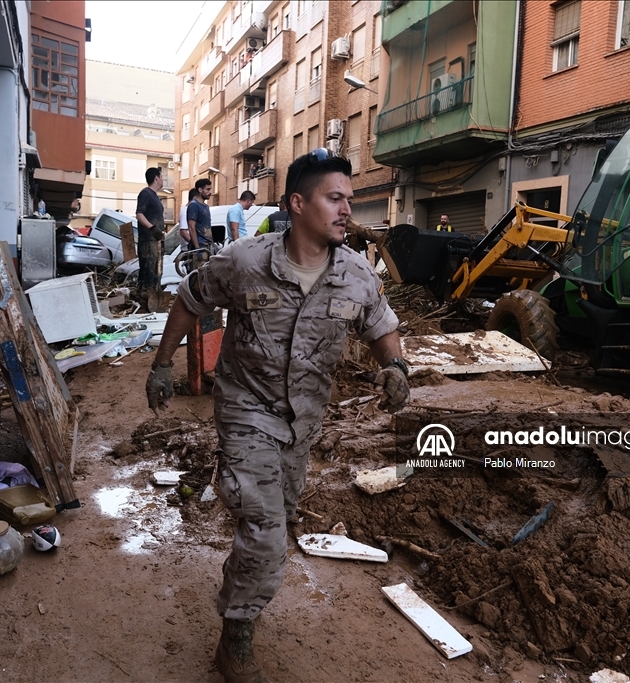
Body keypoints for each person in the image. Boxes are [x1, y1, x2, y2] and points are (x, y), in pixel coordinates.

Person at [144, 149, 411, 683]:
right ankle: (235, 644)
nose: (345, 211)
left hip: (304, 423)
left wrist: (396, 366)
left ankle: (246, 582)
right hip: (246, 411)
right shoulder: (245, 261)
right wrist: (161, 363)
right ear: (298, 203)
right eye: (335, 199)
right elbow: (190, 299)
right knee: (265, 532)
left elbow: (381, 324)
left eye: (349, 200)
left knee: (278, 521)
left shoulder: (357, 274)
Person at [135, 167, 166, 307]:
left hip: (156, 241)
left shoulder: (155, 196)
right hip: (148, 240)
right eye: (162, 176)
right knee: (148, 270)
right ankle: (144, 300)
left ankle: (152, 302)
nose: (163, 179)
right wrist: (152, 228)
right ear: (156, 178)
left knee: (155, 272)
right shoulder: (146, 193)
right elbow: (139, 214)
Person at [186, 178, 214, 253]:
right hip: (200, 245)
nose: (210, 192)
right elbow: (191, 227)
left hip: (207, 245)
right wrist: (197, 247)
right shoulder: (193, 205)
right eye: (207, 189)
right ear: (200, 190)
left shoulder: (206, 206)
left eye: (210, 189)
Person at [178, 188, 199, 253]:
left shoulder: (191, 211)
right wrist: (194, 244)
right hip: (188, 249)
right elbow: (183, 232)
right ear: (195, 198)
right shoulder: (185, 212)